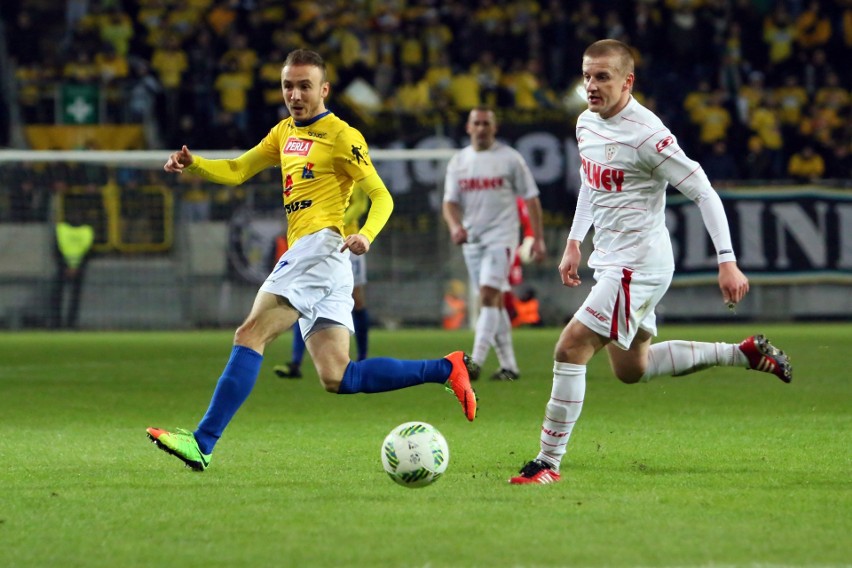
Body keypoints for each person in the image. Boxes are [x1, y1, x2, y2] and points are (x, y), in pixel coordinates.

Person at [147, 49, 477, 472]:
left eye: (305, 86)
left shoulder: (342, 135)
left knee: (250, 334)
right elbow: (237, 169)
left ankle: (202, 441)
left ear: (324, 89)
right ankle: (444, 369)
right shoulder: (283, 132)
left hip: (321, 248)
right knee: (338, 376)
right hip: (323, 258)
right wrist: (194, 165)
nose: (296, 94)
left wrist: (366, 235)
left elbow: (381, 195)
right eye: (288, 85)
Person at [509, 40, 793, 485]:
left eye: (602, 77)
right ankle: (742, 354)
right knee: (631, 369)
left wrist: (727, 261)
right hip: (612, 261)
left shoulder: (648, 135)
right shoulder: (586, 122)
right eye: (586, 75)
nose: (591, 85)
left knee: (570, 347)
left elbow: (704, 191)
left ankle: (547, 462)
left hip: (638, 265)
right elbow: (591, 181)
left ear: (628, 81)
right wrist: (573, 242)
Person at [443, 107, 546, 382]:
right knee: (494, 302)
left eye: (486, 123)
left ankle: (473, 363)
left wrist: (537, 238)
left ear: (494, 128)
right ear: (468, 128)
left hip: (501, 238)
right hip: (472, 240)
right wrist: (455, 227)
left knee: (487, 296)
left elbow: (532, 198)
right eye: (476, 123)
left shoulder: (510, 159)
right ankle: (509, 367)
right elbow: (450, 202)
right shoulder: (459, 161)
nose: (481, 128)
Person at [274, 186, 371, 378]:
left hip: (348, 242)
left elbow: (360, 204)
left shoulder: (355, 164)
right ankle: (295, 363)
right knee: (304, 298)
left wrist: (335, 223)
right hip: (317, 242)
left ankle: (362, 359)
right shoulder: (318, 168)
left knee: (357, 300)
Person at [50, 208, 94, 329]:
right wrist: (74, 267)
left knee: (68, 297)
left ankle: (67, 323)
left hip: (69, 268)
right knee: (62, 296)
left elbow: (88, 251)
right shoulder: (85, 231)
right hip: (72, 268)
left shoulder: (63, 230)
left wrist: (69, 267)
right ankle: (62, 322)